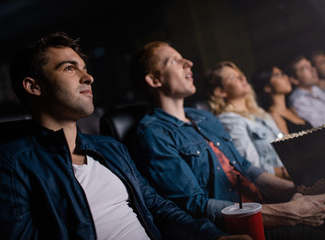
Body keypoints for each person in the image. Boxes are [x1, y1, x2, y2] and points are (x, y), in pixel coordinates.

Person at [0, 32, 247, 240]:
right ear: (34, 87)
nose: (88, 78)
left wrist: (216, 237)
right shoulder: (6, 166)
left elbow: (159, 209)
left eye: (84, 69)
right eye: (69, 68)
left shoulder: (110, 148)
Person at [133, 41, 325, 239]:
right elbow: (194, 204)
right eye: (174, 61)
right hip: (240, 228)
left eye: (185, 58)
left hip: (267, 205)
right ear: (154, 80)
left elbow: (245, 167)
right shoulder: (154, 132)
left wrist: (300, 191)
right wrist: (289, 212)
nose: (188, 63)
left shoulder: (204, 116)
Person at [204, 61, 285, 177]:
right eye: (233, 77)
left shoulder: (259, 113)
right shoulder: (229, 120)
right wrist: (285, 172)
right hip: (276, 185)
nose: (242, 78)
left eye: (240, 74)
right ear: (221, 91)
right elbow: (253, 168)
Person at [251, 66, 312, 134]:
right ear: (267, 87)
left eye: (283, 74)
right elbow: (288, 143)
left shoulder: (292, 110)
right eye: (277, 75)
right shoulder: (274, 115)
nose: (286, 77)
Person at [287, 55, 325, 128]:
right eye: (305, 68)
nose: (313, 69)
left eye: (311, 65)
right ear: (294, 79)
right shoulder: (298, 100)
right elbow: (319, 126)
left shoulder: (315, 89)